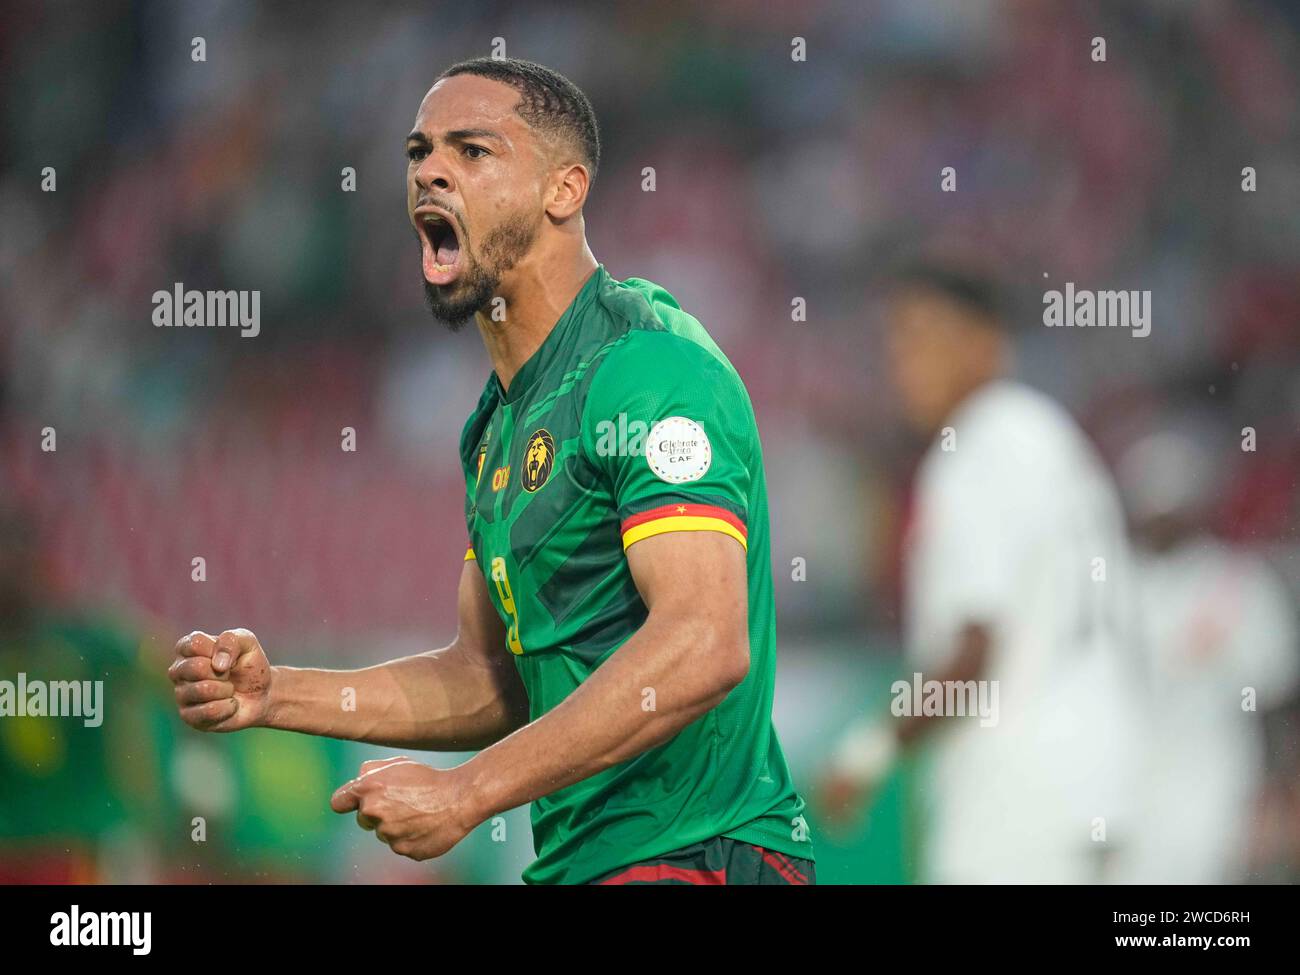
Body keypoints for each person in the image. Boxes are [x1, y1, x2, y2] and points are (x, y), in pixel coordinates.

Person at [167, 57, 814, 886]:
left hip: (702, 853)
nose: (429, 170)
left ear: (563, 190)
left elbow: (703, 641)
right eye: (419, 152)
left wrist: (467, 794)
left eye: (472, 151)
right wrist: (274, 695)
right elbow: (489, 679)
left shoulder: (647, 366)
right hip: (589, 864)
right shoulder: (494, 428)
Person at [821, 264, 1139, 883]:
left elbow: (973, 652)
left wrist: (866, 753)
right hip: (1094, 789)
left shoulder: (977, 445)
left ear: (986, 342)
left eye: (924, 337)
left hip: (1015, 801)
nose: (904, 362)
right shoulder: (1050, 435)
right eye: (898, 341)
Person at [1111, 430, 1299, 882]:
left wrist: (1281, 791)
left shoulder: (1236, 582)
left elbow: (1276, 696)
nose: (1161, 517)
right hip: (1128, 781)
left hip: (1218, 779)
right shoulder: (1112, 585)